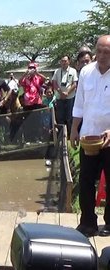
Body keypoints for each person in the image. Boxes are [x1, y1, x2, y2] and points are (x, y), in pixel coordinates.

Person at [70, 35, 110, 237]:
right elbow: (79, 104)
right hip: (88, 136)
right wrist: (74, 129)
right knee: (86, 180)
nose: (103, 55)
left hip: (109, 138)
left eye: (107, 52)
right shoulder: (86, 72)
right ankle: (87, 223)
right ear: (95, 51)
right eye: (100, 51)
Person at [19, 62, 47, 144]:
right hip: (27, 103)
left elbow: (45, 80)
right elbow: (20, 82)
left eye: (33, 68)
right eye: (30, 68)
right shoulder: (25, 79)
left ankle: (37, 138)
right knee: (28, 121)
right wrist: (25, 73)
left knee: (37, 121)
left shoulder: (38, 78)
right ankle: (28, 139)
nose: (31, 70)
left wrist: (37, 73)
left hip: (37, 102)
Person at [51, 55, 78, 136]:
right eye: (62, 61)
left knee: (69, 117)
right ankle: (62, 135)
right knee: (60, 117)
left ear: (69, 62)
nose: (63, 62)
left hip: (70, 97)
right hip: (60, 97)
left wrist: (67, 93)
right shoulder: (57, 71)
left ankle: (70, 134)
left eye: (65, 61)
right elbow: (54, 83)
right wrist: (60, 92)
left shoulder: (73, 71)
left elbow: (75, 83)